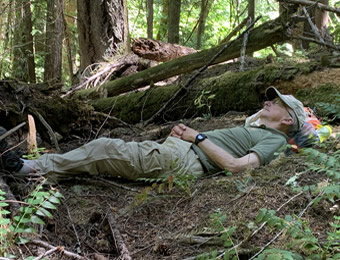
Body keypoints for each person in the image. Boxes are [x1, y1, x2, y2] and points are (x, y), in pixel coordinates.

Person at [0, 87, 306, 182]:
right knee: (107, 151)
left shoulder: (275, 141)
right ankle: (38, 165)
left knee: (103, 149)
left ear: (288, 118)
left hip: (186, 158)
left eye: (276, 102)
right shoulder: (260, 127)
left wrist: (196, 138)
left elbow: (238, 167)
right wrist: (181, 134)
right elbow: (265, 119)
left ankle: (29, 170)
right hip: (180, 150)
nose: (267, 101)